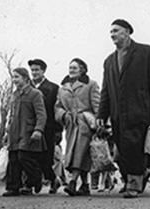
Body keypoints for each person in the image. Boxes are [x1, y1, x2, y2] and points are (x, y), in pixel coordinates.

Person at [97, 19, 150, 198]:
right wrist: (102, 114)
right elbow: (106, 90)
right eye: (111, 32)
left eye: (116, 31)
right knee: (122, 148)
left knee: (135, 146)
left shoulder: (146, 52)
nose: (112, 35)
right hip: (117, 113)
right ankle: (134, 178)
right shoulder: (109, 61)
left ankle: (133, 183)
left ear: (127, 32)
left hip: (140, 109)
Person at [55, 58, 100, 196]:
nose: (71, 70)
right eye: (70, 67)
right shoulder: (63, 88)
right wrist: (63, 115)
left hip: (85, 123)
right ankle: (85, 185)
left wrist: (99, 123)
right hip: (70, 125)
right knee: (81, 154)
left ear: (82, 70)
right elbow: (58, 107)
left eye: (75, 68)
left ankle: (72, 182)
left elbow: (97, 105)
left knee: (78, 152)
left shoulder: (91, 84)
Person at [2, 67, 47, 197]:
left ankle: (36, 177)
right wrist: (7, 132)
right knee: (14, 159)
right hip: (14, 133)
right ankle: (13, 187)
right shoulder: (14, 95)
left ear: (26, 78)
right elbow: (11, 115)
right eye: (13, 77)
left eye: (17, 77)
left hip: (27, 132)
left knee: (24, 157)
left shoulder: (35, 93)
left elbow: (41, 114)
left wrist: (38, 130)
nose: (14, 80)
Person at [28, 58, 62, 194]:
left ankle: (53, 179)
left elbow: (57, 109)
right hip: (30, 128)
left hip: (48, 128)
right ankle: (30, 183)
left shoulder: (53, 88)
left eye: (37, 70)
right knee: (29, 157)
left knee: (45, 159)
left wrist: (59, 130)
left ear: (43, 71)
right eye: (32, 70)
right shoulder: (27, 87)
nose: (34, 73)